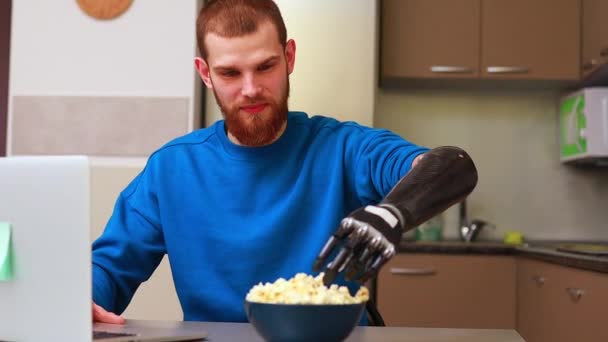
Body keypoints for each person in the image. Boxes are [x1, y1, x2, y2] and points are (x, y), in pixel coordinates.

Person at [92, 0, 477, 325]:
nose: (250, 89)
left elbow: (452, 165)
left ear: (289, 57)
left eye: (265, 67)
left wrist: (393, 213)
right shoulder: (171, 170)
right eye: (230, 72)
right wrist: (84, 300)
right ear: (205, 74)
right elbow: (109, 267)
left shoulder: (343, 147)